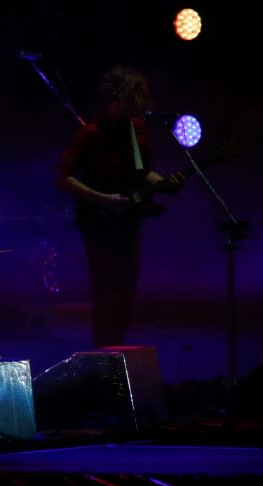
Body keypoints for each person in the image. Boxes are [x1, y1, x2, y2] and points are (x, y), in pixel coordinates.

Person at [56, 65, 186, 347]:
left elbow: (142, 172)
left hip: (128, 220)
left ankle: (117, 349)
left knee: (127, 289)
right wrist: (103, 200)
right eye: (135, 95)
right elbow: (63, 177)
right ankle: (104, 352)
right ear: (118, 97)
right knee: (106, 290)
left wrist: (164, 183)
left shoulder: (136, 129)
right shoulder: (90, 134)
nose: (142, 102)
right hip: (98, 222)